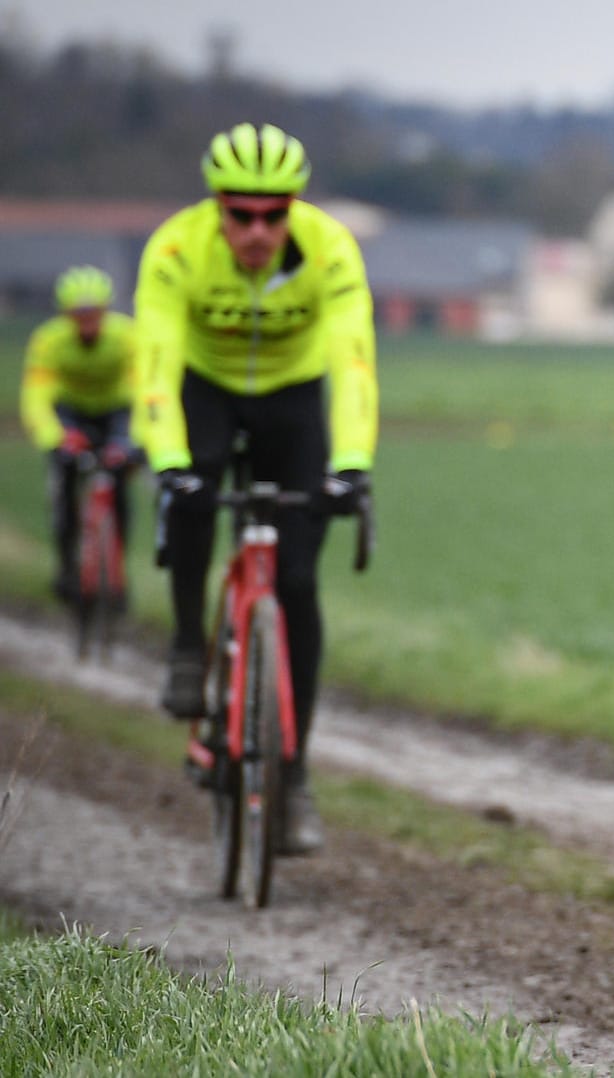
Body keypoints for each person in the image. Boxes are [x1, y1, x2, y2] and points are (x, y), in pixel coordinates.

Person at [135, 122, 379, 855]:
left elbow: (354, 361)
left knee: (299, 584)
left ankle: (294, 775)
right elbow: (153, 363)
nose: (258, 231)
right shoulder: (176, 248)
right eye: (240, 214)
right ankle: (187, 643)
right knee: (191, 494)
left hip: (292, 399)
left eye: (275, 214)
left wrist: (353, 464)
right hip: (204, 389)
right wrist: (169, 459)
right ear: (218, 207)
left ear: (293, 209)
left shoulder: (331, 248)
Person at [19, 265, 142, 604]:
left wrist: (132, 440)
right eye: (79, 314)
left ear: (107, 310)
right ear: (66, 314)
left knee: (120, 487)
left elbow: (145, 391)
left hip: (116, 411)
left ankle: (118, 573)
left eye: (95, 313)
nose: (87, 321)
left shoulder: (127, 335)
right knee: (64, 490)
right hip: (69, 413)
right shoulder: (49, 340)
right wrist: (54, 438)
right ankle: (66, 568)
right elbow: (36, 396)